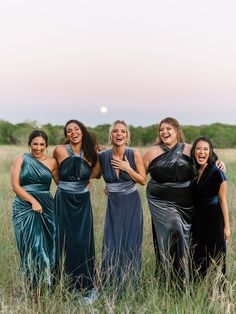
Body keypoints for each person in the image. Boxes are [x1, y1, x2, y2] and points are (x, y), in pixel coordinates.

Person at [142, 117, 225, 285]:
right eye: (161, 129)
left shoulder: (189, 149)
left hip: (187, 204)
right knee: (172, 232)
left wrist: (220, 163)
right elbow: (139, 176)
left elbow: (206, 159)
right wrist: (115, 185)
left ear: (177, 131)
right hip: (161, 204)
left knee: (187, 239)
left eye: (168, 129)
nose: (164, 132)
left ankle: (185, 278)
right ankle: (169, 279)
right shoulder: (152, 152)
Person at [53, 119, 99, 303]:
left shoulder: (92, 152)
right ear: (67, 135)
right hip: (63, 199)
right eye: (69, 130)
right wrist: (66, 187)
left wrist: (87, 181)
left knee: (82, 241)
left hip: (82, 200)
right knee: (61, 238)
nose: (73, 132)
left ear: (82, 131)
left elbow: (97, 172)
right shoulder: (59, 150)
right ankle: (60, 282)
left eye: (76, 129)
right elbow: (55, 172)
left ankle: (84, 284)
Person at [97, 120, 146, 290]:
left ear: (127, 136)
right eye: (115, 131)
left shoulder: (134, 154)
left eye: (123, 131)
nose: (119, 134)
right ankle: (110, 283)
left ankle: (130, 285)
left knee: (130, 243)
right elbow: (94, 174)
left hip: (131, 203)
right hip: (114, 204)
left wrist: (127, 168)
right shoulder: (103, 156)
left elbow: (143, 180)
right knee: (111, 242)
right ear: (111, 135)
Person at [11, 130, 58, 290]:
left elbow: (62, 182)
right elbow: (15, 186)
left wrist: (83, 183)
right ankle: (31, 285)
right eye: (35, 144)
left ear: (46, 145)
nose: (38, 148)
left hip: (47, 207)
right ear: (30, 144)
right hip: (24, 206)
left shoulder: (52, 162)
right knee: (33, 247)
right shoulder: (20, 159)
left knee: (49, 246)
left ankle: (46, 286)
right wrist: (33, 201)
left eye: (42, 144)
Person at [190, 137, 230, 279]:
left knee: (215, 254)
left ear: (210, 152)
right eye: (198, 149)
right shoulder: (195, 171)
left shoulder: (216, 172)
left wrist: (227, 227)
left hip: (213, 220)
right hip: (197, 220)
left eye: (205, 149)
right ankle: (199, 287)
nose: (202, 152)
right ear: (193, 151)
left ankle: (217, 291)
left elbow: (222, 200)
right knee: (198, 255)